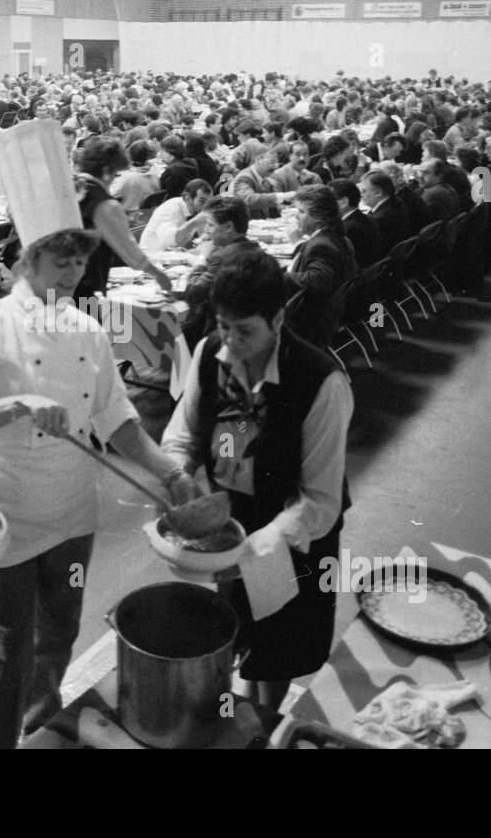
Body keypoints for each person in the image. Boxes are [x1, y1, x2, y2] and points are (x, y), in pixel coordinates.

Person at [0, 228, 195, 749]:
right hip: (7, 518)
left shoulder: (89, 331)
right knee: (6, 655)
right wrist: (15, 405)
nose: (73, 274)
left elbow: (119, 421)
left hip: (74, 515)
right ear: (28, 260)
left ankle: (43, 725)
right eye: (61, 262)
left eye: (78, 262)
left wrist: (171, 473)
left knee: (59, 634)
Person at [162, 250, 353, 709]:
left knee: (279, 648)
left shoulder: (320, 383)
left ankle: (264, 719)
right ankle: (239, 709)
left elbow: (321, 501)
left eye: (244, 329)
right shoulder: (211, 352)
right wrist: (177, 476)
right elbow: (183, 431)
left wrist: (253, 553)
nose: (230, 340)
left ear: (279, 318)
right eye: (224, 325)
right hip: (235, 520)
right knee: (235, 628)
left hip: (294, 532)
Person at [72, 137, 173, 302]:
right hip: (86, 286)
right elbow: (130, 251)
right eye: (116, 174)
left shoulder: (70, 186)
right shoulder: (104, 204)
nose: (115, 179)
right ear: (106, 171)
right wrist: (158, 274)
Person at [180, 197, 261, 349]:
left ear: (229, 227)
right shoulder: (255, 248)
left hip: (220, 336)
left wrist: (202, 259)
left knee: (181, 328)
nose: (206, 230)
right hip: (252, 329)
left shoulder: (222, 258)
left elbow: (193, 294)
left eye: (210, 225)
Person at [284, 185, 359, 347]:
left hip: (307, 322)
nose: (296, 217)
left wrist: (278, 275)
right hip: (326, 315)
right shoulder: (335, 236)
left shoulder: (321, 245)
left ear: (319, 217)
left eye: (301, 212)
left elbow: (317, 280)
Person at [141, 177, 211, 253]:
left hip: (175, 255)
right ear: (188, 199)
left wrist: (204, 236)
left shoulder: (196, 211)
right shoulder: (169, 209)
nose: (206, 206)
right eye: (202, 201)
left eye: (209, 201)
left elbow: (203, 235)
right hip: (152, 256)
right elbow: (169, 241)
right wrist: (193, 223)